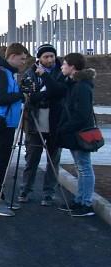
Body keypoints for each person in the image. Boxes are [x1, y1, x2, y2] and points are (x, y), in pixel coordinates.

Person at [19, 44, 67, 206]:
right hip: (35, 121)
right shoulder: (30, 73)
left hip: (55, 122)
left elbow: (61, 92)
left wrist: (44, 93)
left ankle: (49, 192)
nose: (50, 59)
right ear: (39, 58)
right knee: (32, 158)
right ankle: (26, 189)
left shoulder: (61, 72)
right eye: (46, 57)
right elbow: (28, 96)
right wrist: (48, 93)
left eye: (52, 56)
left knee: (53, 159)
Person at [0, 43, 28, 217]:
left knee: (2, 161)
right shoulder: (2, 73)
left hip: (7, 122)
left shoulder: (7, 72)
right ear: (12, 56)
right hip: (2, 122)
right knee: (0, 162)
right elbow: (1, 98)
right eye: (22, 58)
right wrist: (21, 94)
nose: (24, 62)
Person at [55, 53, 97, 217]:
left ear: (72, 66)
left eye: (64, 64)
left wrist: (64, 128)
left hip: (80, 133)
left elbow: (82, 114)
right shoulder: (74, 84)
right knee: (81, 167)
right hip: (76, 133)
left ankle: (86, 204)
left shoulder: (81, 86)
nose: (61, 66)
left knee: (84, 168)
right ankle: (79, 200)